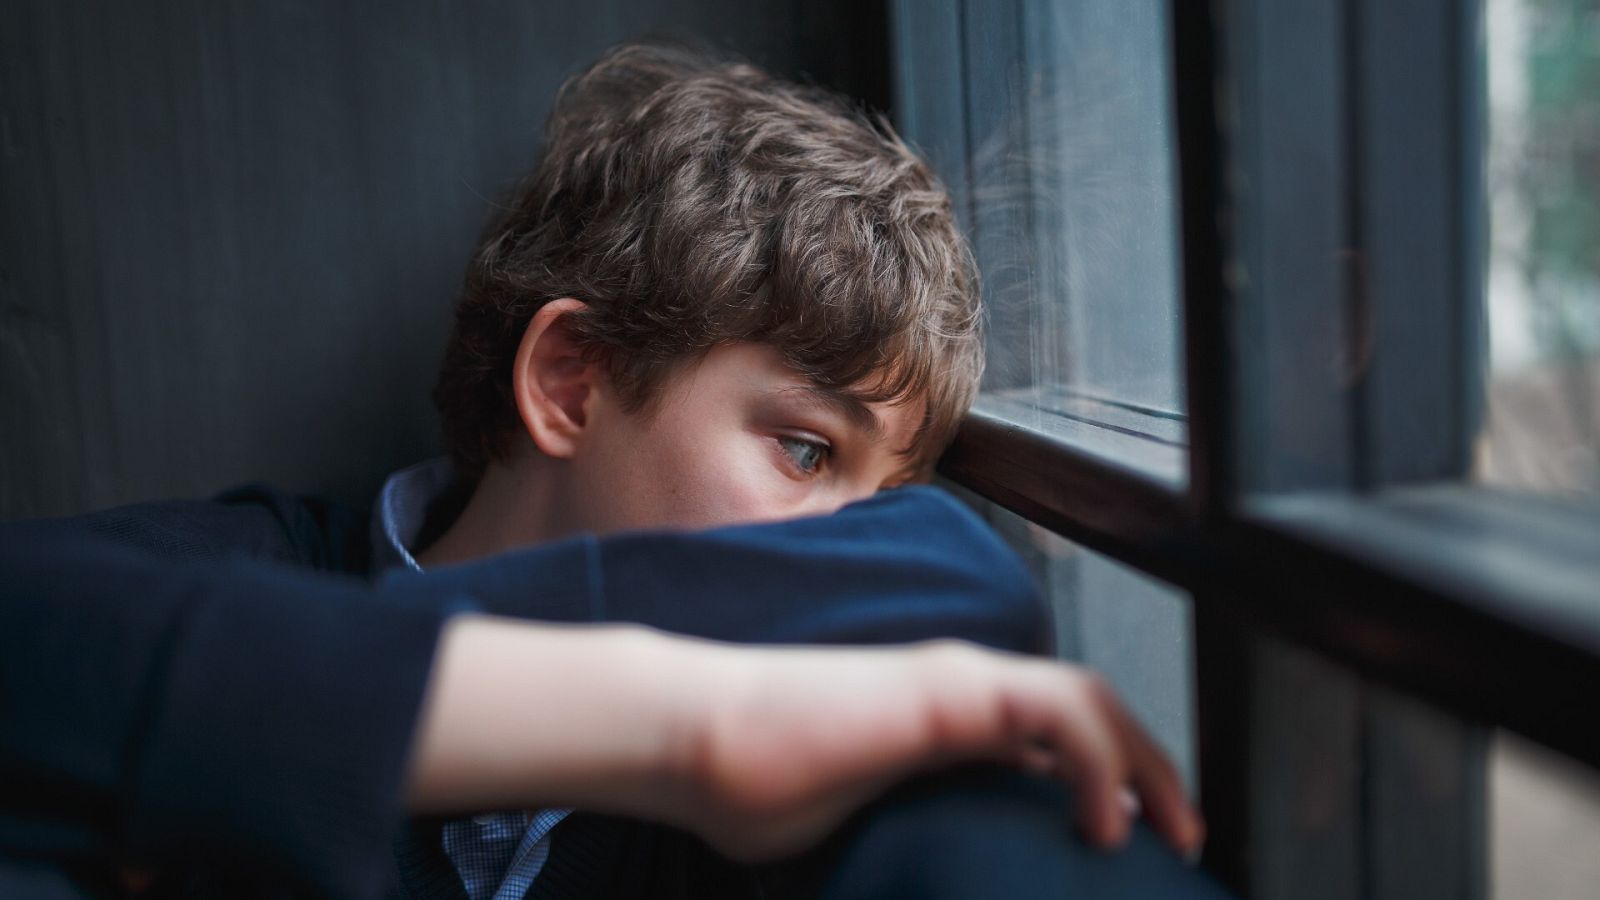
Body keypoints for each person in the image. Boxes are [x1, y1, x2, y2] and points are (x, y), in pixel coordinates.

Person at [0, 41, 1225, 899]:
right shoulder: (241, 581)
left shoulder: (805, 752)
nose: (844, 539)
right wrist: (668, 724)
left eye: (882, 491)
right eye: (805, 448)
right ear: (572, 381)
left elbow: (948, 582)